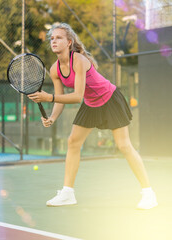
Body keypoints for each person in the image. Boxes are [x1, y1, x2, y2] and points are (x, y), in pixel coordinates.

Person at [28, 23, 158, 209]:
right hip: (91, 104)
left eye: (58, 38)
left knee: (124, 146)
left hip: (110, 98)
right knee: (73, 141)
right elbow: (60, 99)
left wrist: (48, 97)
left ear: (69, 42)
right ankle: (67, 193)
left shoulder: (79, 60)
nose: (54, 41)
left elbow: (77, 96)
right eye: (52, 38)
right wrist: (53, 117)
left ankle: (148, 193)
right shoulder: (55, 69)